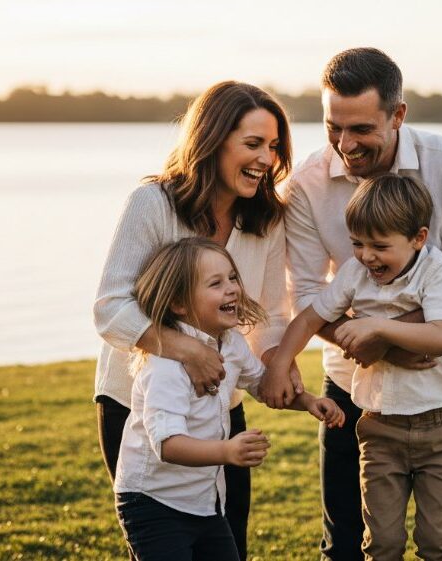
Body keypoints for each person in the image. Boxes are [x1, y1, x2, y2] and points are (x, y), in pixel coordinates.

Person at [260, 47, 442, 560]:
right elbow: (308, 295)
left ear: (398, 115)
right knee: (349, 545)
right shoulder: (305, 184)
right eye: (333, 128)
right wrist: (360, 344)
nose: (345, 145)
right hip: (355, 391)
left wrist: (390, 336)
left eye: (361, 129)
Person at [94, 81, 302, 561]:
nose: (266, 159)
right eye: (253, 144)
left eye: (274, 147)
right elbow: (110, 307)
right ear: (212, 140)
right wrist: (188, 349)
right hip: (135, 403)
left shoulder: (268, 220)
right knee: (159, 542)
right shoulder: (153, 204)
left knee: (229, 541)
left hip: (220, 406)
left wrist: (276, 361)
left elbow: (271, 313)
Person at [266, 175, 442, 560]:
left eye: (380, 246)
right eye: (357, 244)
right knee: (382, 543)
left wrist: (376, 327)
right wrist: (280, 362)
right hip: (380, 427)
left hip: (440, 427)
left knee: (437, 543)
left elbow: (440, 337)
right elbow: (309, 317)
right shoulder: (355, 273)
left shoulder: (437, 271)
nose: (366, 256)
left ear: (418, 238)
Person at [115, 238, 344, 561]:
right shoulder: (166, 365)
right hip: (153, 503)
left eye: (233, 278)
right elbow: (167, 444)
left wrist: (307, 401)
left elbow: (263, 385)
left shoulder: (232, 343)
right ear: (179, 303)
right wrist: (227, 451)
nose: (232, 289)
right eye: (216, 283)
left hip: (205, 503)